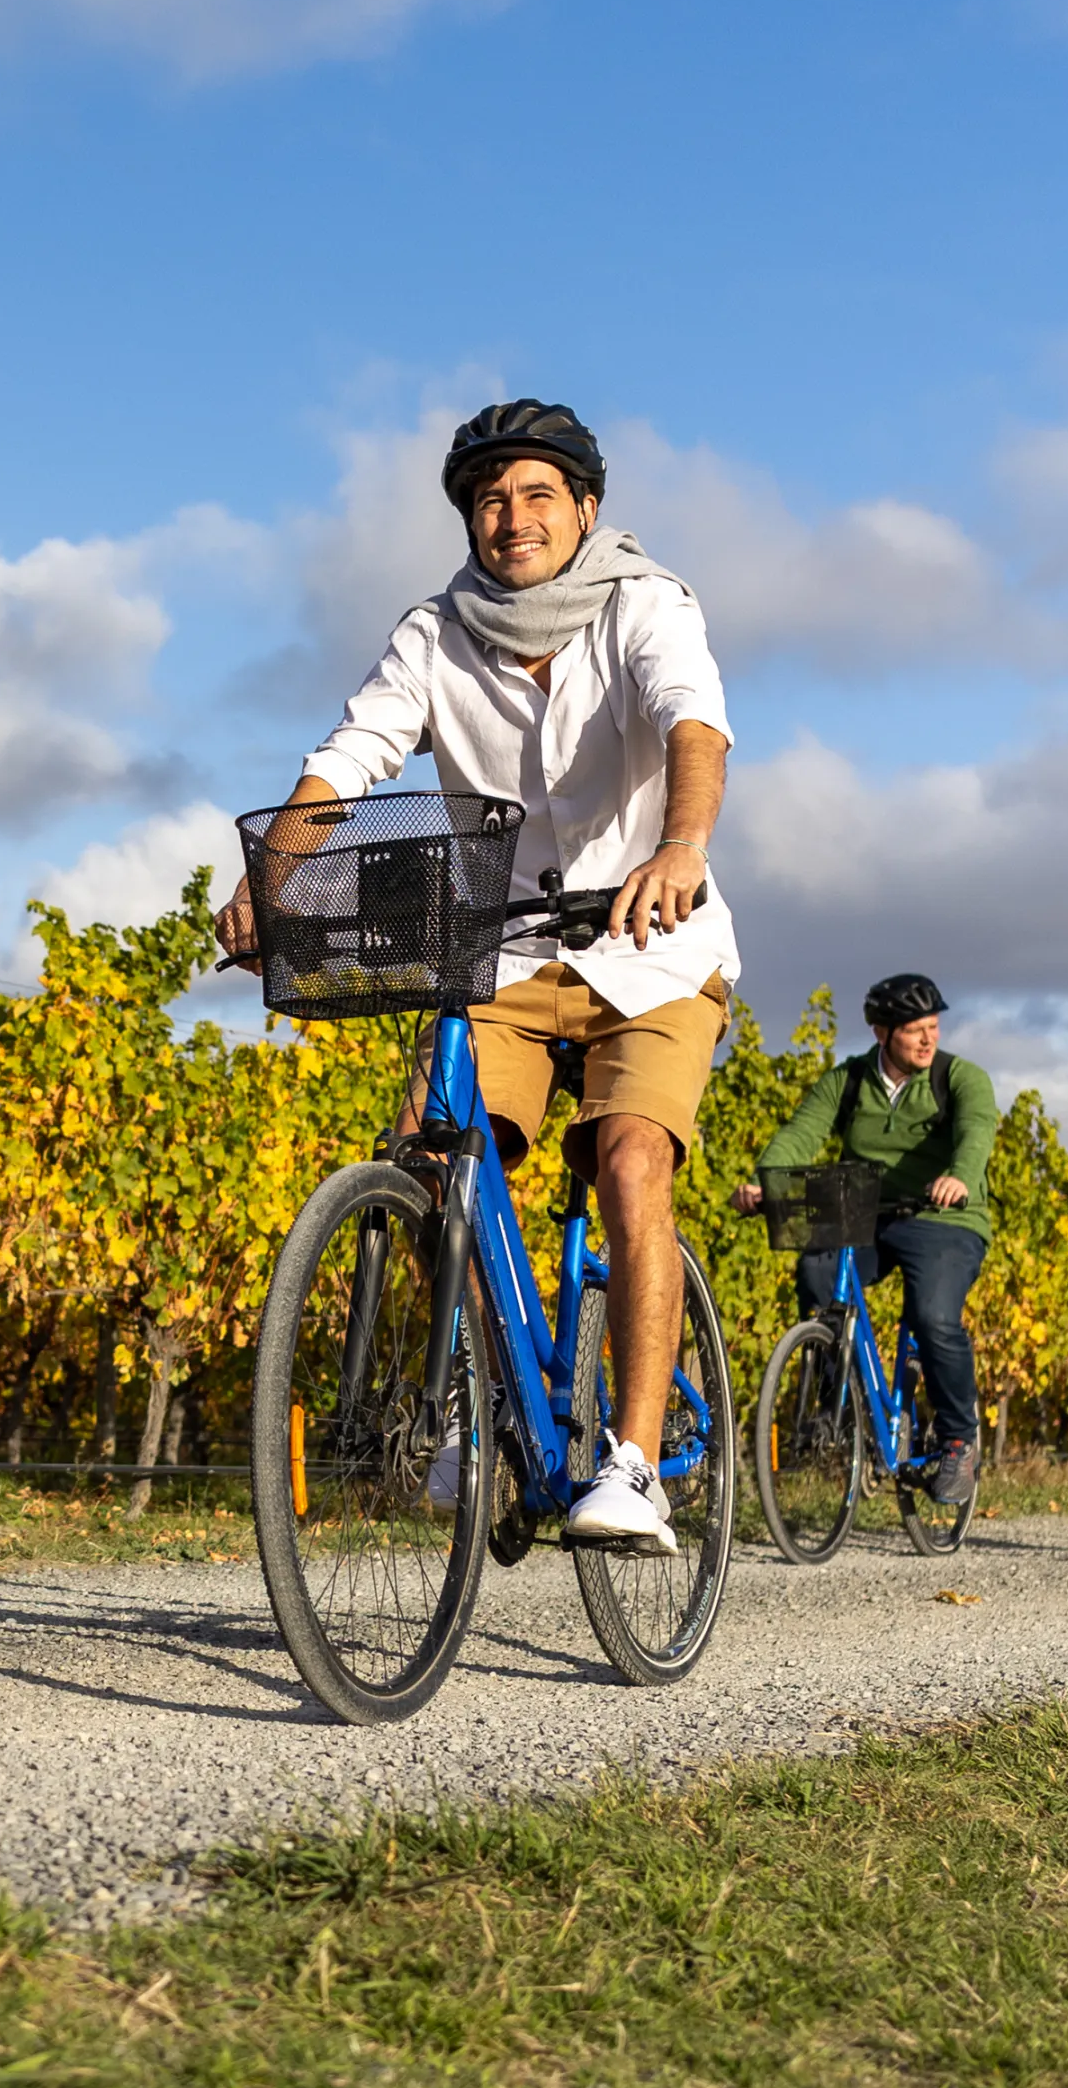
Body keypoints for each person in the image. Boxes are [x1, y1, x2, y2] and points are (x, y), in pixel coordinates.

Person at [216, 399, 738, 1556]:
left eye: (538, 493)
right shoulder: (435, 633)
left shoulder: (647, 606)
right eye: (491, 499)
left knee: (630, 1160)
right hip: (501, 951)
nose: (514, 517)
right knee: (432, 1151)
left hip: (649, 953)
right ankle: (472, 1406)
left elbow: (692, 724)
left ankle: (636, 1466)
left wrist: (683, 848)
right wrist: (274, 882)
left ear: (586, 508)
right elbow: (350, 756)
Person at [729, 975, 997, 1504]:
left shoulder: (960, 1078)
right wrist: (769, 1183)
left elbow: (976, 1132)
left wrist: (959, 1176)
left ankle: (959, 1440)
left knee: (933, 1316)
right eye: (914, 1031)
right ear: (880, 1033)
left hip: (944, 1217)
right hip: (867, 1213)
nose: (928, 1040)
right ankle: (841, 1397)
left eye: (933, 1028)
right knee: (818, 1271)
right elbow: (800, 1133)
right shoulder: (848, 1081)